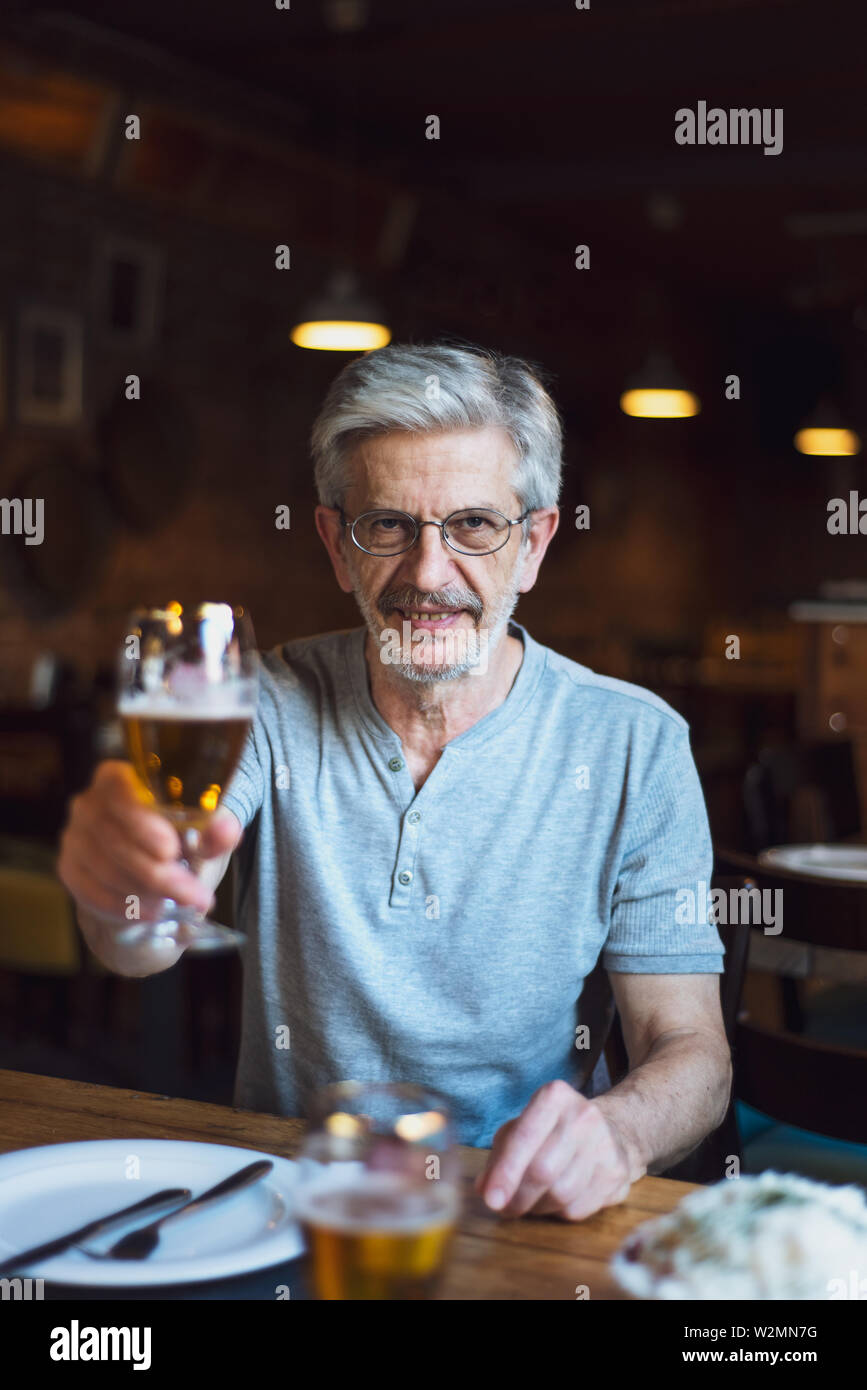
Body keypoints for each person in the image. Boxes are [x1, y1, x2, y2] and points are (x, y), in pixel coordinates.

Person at [59, 341, 731, 1222]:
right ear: (338, 546)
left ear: (532, 545)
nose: (426, 573)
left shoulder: (634, 744)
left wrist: (620, 1132)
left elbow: (692, 1051)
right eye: (388, 526)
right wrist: (122, 894)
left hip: (514, 1209)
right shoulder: (257, 705)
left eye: (473, 526)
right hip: (288, 1205)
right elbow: (144, 938)